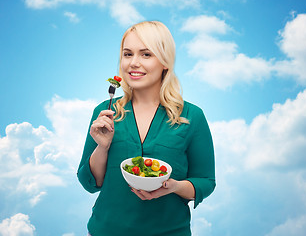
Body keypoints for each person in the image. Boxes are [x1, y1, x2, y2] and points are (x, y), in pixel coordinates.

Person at [77, 21, 215, 236]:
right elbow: (91, 183)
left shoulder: (191, 116)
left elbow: (205, 181)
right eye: (127, 54)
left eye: (146, 54)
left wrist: (176, 187)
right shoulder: (105, 112)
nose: (133, 63)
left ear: (165, 62)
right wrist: (102, 148)